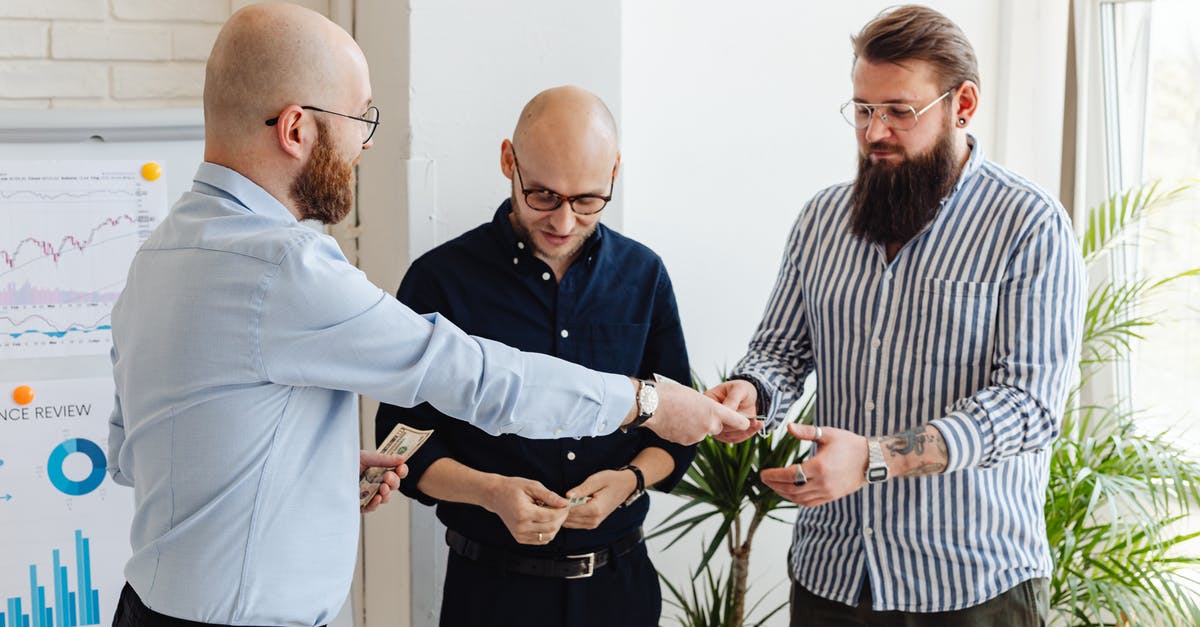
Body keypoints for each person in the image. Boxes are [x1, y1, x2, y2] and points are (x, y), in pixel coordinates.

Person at [106, 4, 753, 627]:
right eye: (360, 117)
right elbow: (477, 378)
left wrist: (308, 466)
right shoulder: (286, 265)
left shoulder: (161, 252)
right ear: (297, 128)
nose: (363, 143)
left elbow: (135, 453)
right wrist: (646, 401)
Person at [707, 6, 1086, 625]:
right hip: (831, 573)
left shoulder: (1029, 225)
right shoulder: (820, 220)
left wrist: (877, 457)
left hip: (971, 583)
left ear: (962, 104)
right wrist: (752, 392)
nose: (874, 131)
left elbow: (1030, 405)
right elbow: (781, 352)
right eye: (862, 110)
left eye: (899, 111)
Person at [376, 86, 692, 626]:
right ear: (509, 162)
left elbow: (675, 427)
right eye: (543, 195)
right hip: (491, 593)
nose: (564, 222)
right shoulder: (440, 281)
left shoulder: (645, 276)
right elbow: (402, 442)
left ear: (614, 171)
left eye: (588, 200)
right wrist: (490, 492)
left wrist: (630, 482)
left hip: (620, 590)